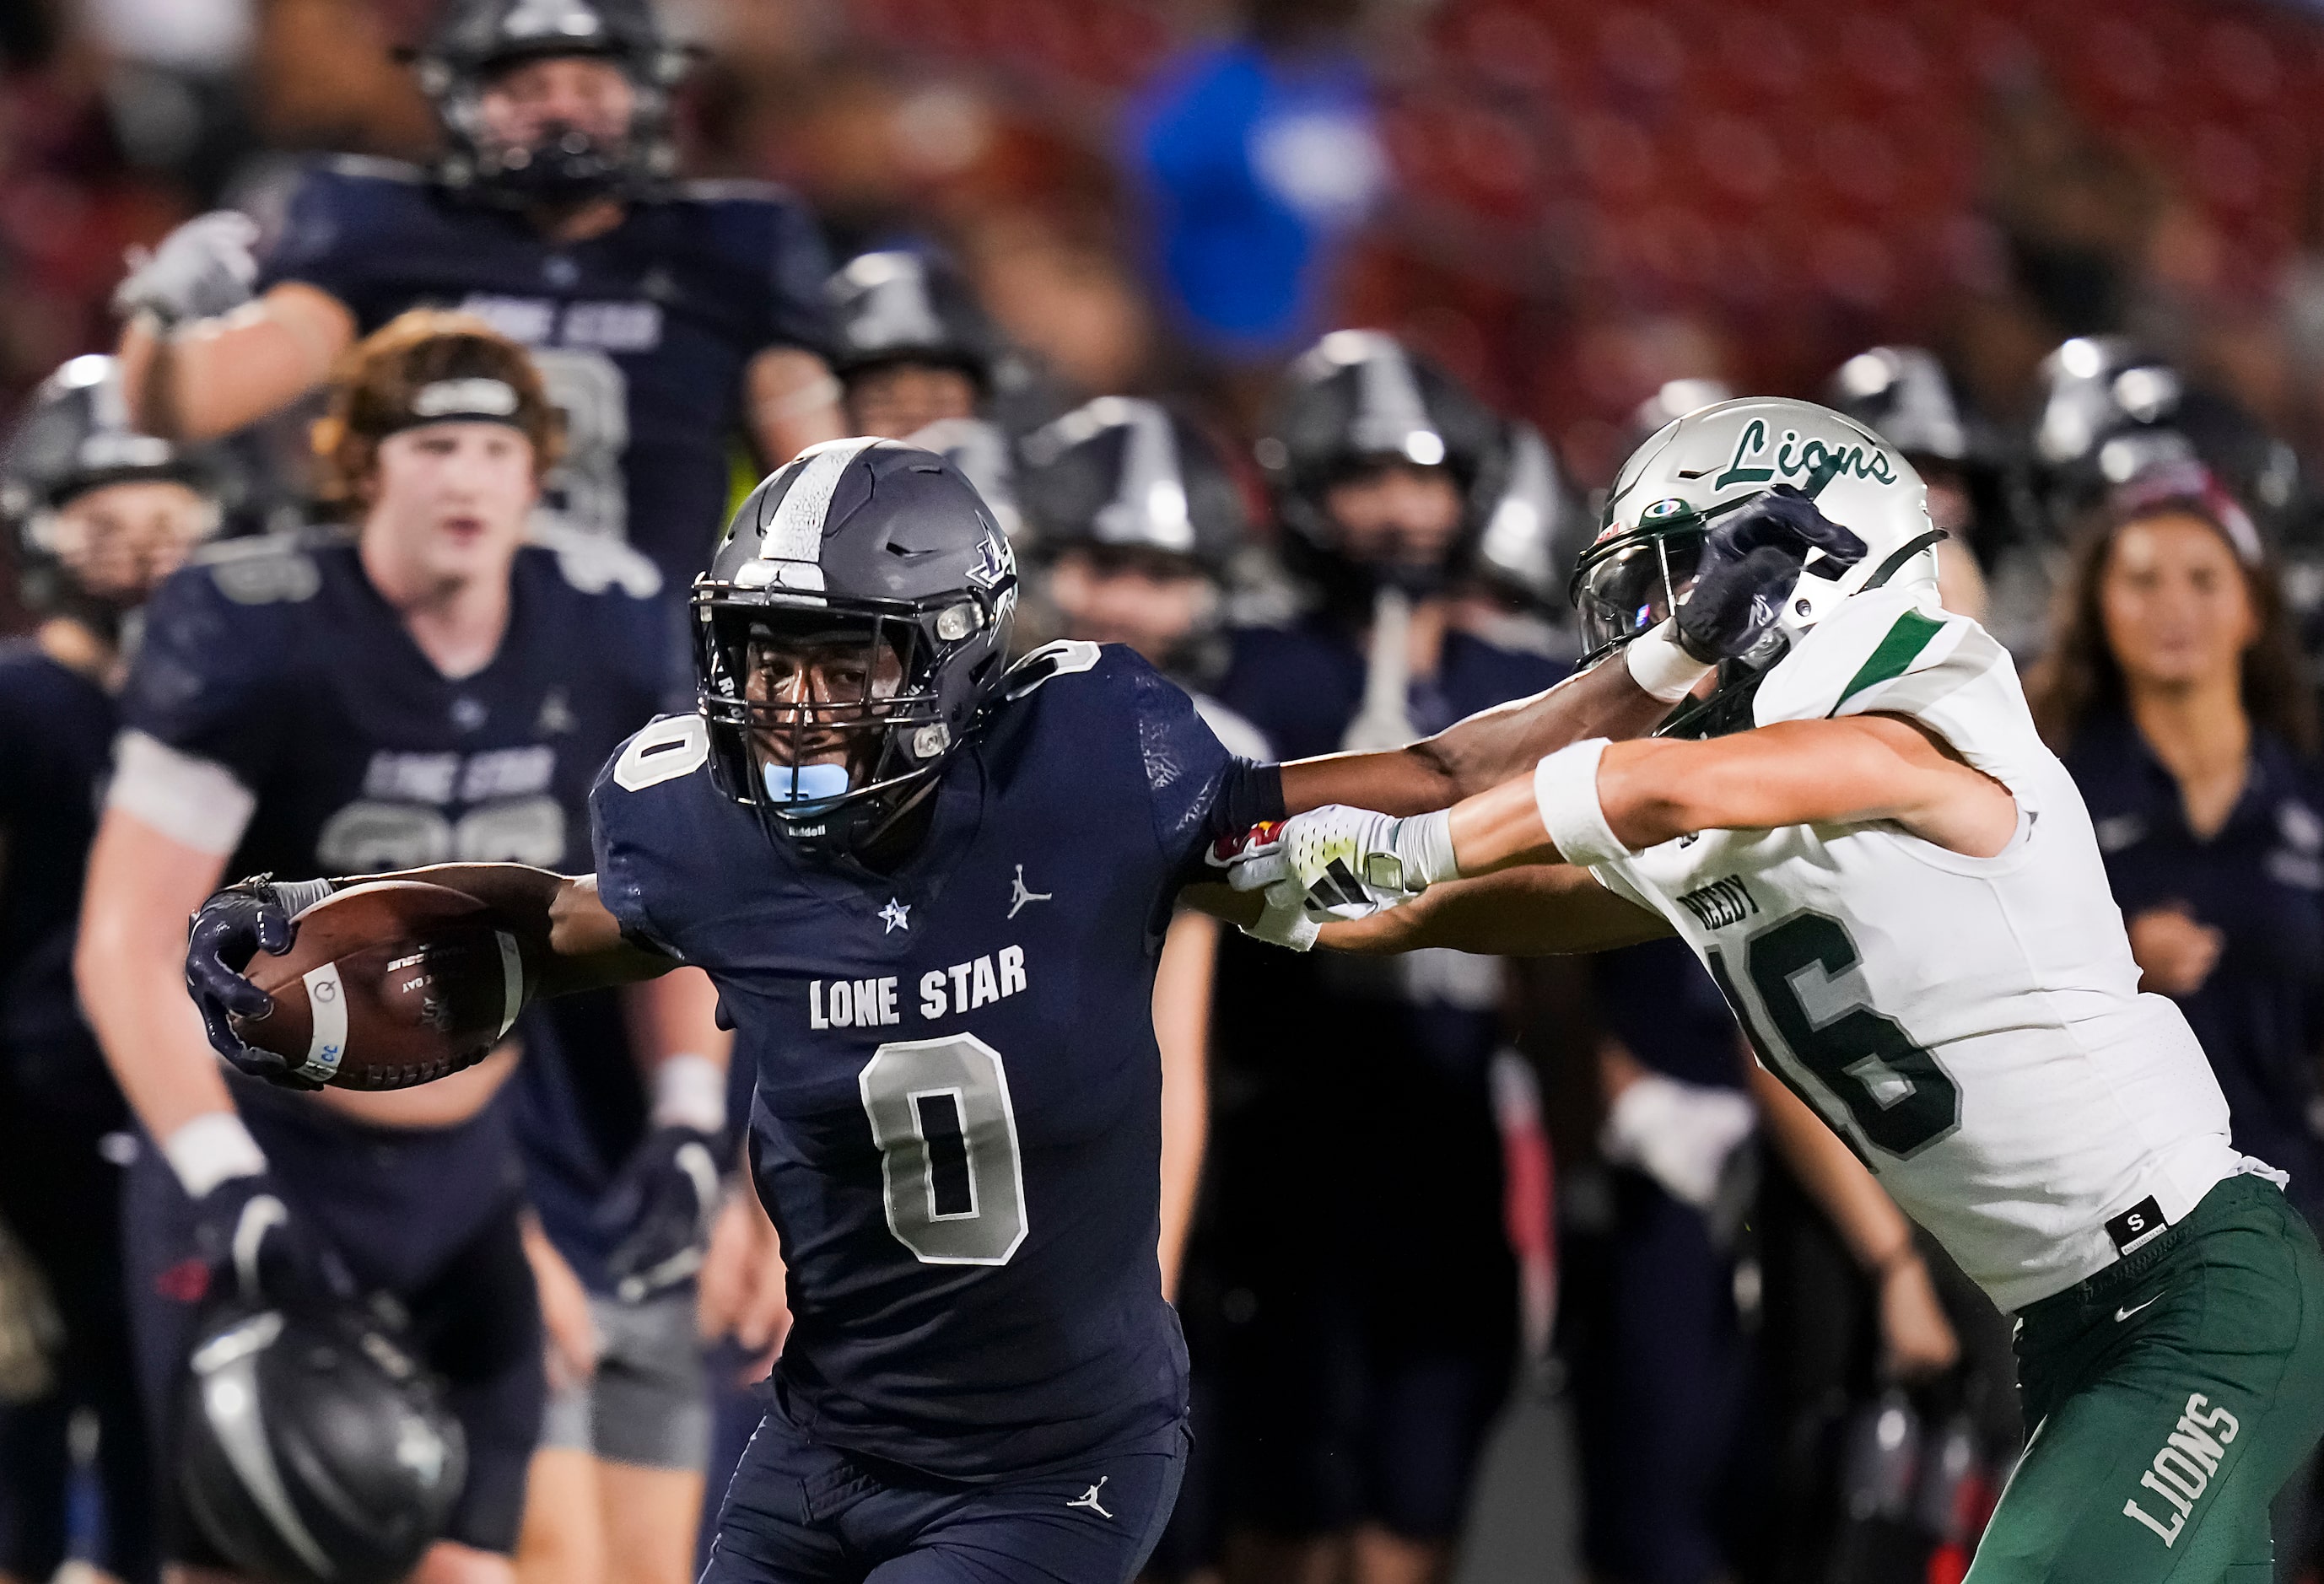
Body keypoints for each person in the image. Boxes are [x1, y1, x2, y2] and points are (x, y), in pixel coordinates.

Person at [174, 434, 1852, 1584]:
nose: (793, 705)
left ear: (956, 654)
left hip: (1051, 1458)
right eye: (763, 660)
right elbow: (582, 925)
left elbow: (1418, 778)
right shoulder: (696, 816)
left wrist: (1660, 664)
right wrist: (330, 929)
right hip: (819, 1442)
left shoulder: (1097, 761)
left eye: (842, 660)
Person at [1231, 396, 2324, 1582]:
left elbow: (1650, 791)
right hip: (2075, 1326)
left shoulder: (1922, 707)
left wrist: (1417, 844)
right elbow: (1494, 898)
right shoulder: (1740, 803)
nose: (1657, 634)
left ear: (1804, 580)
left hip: (2197, 1291)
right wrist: (1269, 895)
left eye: (1686, 589)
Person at [75, 311, 722, 1584]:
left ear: (540, 469)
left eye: (494, 445)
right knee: (239, 1562)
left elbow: (668, 896)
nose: (465, 475)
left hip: (466, 1182)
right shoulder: (256, 629)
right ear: (362, 463)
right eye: (432, 443)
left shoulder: (598, 626)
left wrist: (690, 1116)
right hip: (276, 1162)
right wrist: (222, 1176)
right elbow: (125, 941)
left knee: (473, 1565)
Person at [1208, 329, 1561, 1584]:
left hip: (1448, 1118)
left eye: (1426, 477)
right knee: (1278, 1504)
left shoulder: (1519, 681)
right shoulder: (1245, 669)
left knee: (1417, 1499)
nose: (1403, 508)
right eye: (1367, 477)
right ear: (1305, 488)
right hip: (1279, 1119)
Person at [111, 0, 843, 595]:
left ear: (650, 93)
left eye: (590, 86)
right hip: (412, 657)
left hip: (651, 671)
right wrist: (159, 320)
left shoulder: (728, 250)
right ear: (456, 98)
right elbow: (180, 410)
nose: (561, 112)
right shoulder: (378, 231)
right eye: (525, 89)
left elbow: (827, 503)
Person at [0, 354, 224, 1584]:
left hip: (186, 1114)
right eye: (109, 523)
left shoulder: (225, 709)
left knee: (165, 1435)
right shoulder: (25, 698)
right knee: (39, 1434)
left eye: (168, 525)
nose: (143, 553)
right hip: (39, 1123)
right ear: (41, 530)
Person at [2027, 461, 2324, 1224]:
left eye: (2201, 579)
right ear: (2098, 603)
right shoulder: (2040, 783)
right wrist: (2113, 960)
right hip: (2104, 1209)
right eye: (2142, 580)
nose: (2172, 608)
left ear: (2252, 608)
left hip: (2297, 1197)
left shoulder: (2307, 790)